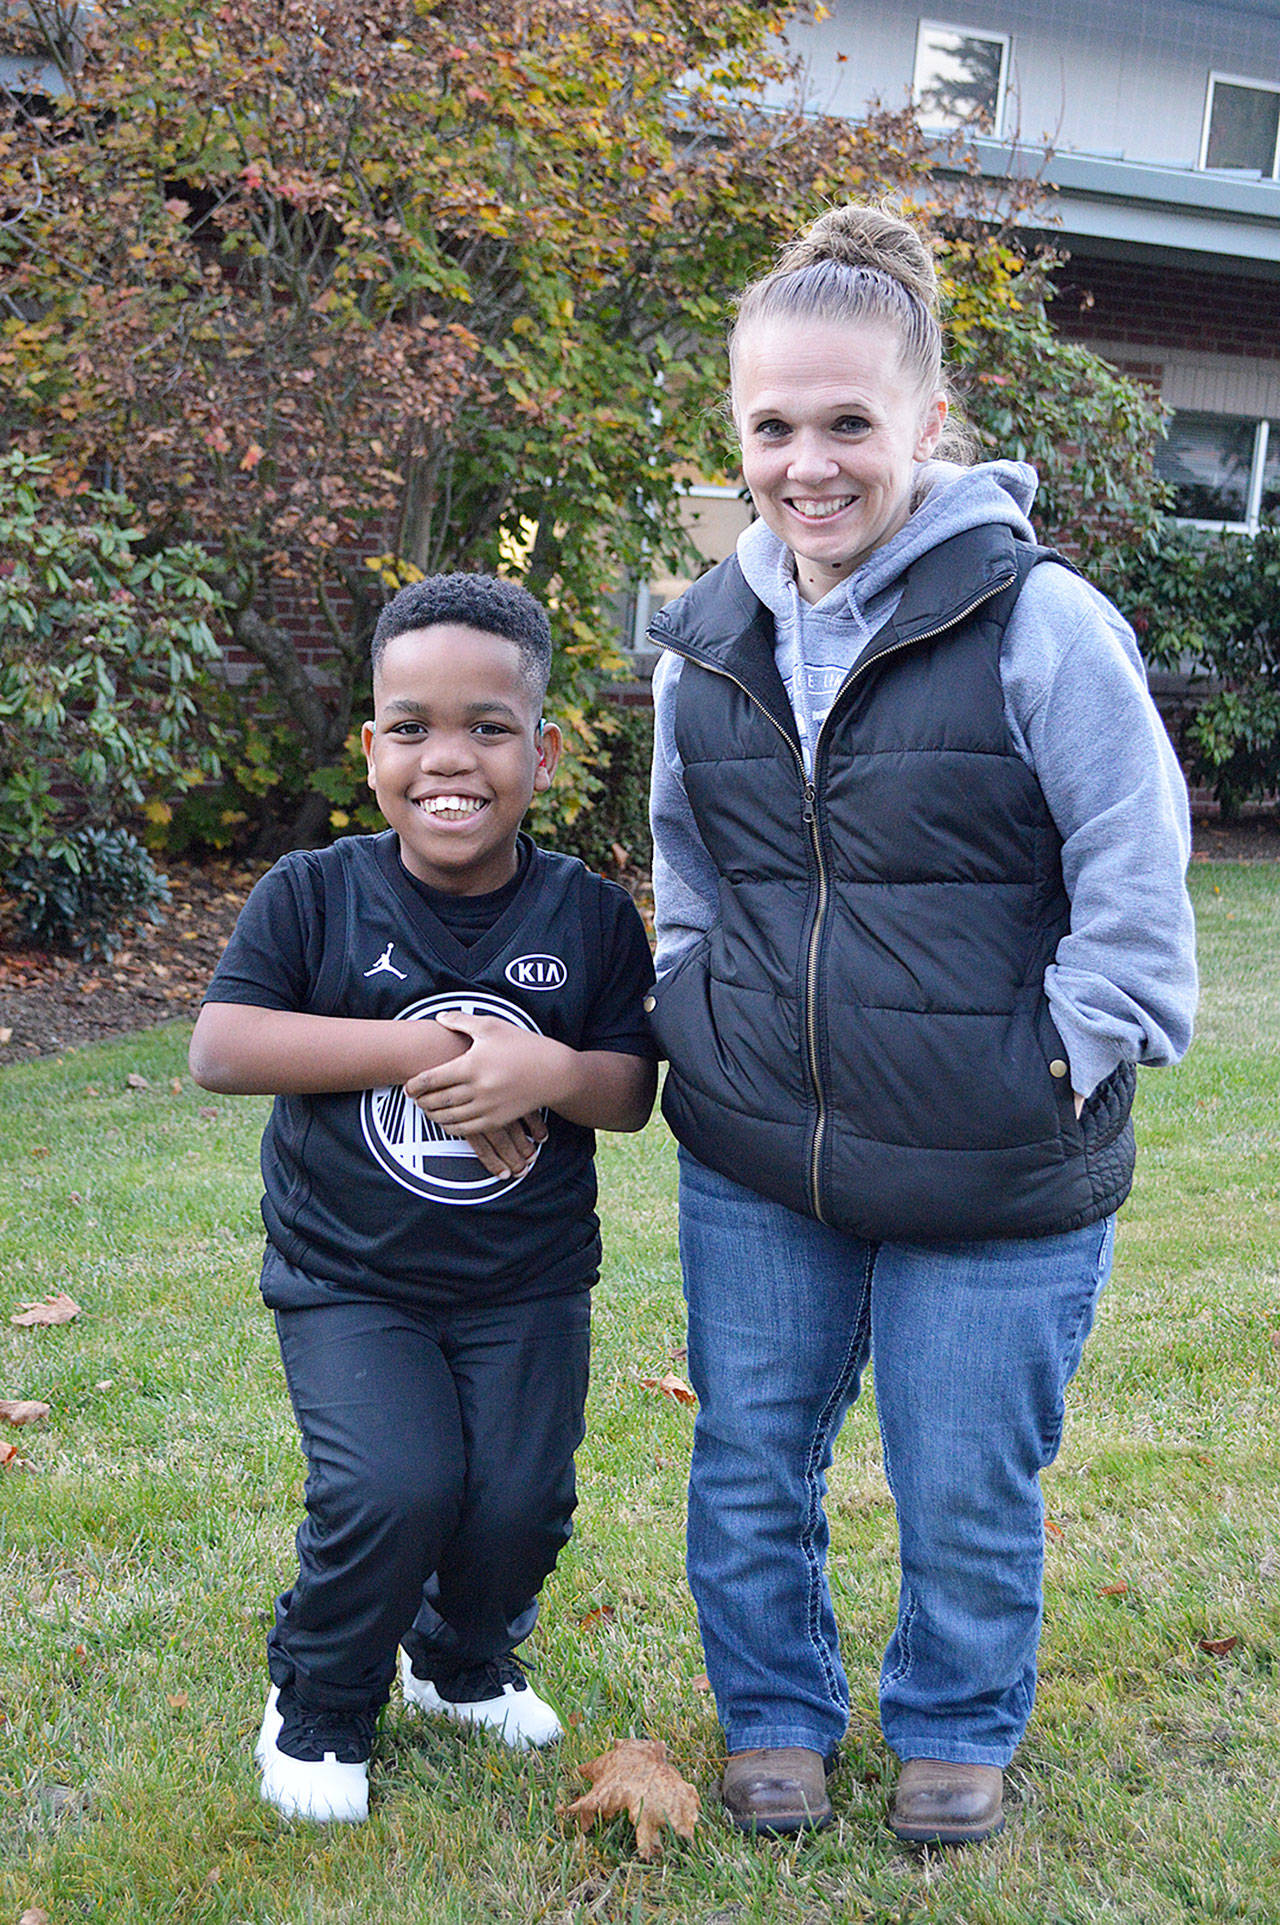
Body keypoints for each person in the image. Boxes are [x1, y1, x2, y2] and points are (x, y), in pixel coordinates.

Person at [646, 203, 1197, 1847]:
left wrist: (1056, 1057)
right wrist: (698, 1004)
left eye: (847, 424)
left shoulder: (1042, 624)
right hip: (762, 1149)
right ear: (737, 435)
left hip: (993, 1155)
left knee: (963, 1489)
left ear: (928, 425)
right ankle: (777, 1725)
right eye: (772, 427)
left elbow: (1137, 882)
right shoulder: (707, 642)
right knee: (752, 1468)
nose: (809, 463)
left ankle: (954, 1731)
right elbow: (688, 864)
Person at [190, 572, 657, 1824]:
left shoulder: (590, 914)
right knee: (390, 1486)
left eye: (487, 727)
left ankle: (458, 1662)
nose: (448, 758)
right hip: (352, 1278)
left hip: (526, 1281)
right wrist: (423, 1051)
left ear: (543, 750)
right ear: (371, 747)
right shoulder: (316, 892)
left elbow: (626, 1091)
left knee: (517, 1500)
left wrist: (548, 1069)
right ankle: (321, 1702)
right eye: (411, 727)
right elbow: (223, 1047)